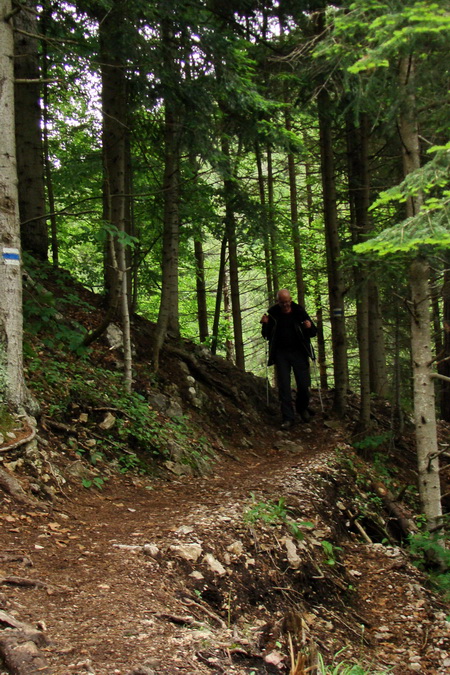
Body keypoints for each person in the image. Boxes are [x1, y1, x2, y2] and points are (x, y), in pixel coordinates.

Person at [261, 289, 317, 430]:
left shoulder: (299, 312)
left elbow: (312, 333)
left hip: (299, 352)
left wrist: (309, 327)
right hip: (281, 354)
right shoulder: (273, 314)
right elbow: (266, 336)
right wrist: (265, 324)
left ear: (290, 300)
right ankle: (288, 418)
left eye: (287, 302)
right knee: (284, 386)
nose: (285, 305)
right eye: (282, 302)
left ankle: (302, 408)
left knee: (304, 385)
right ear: (278, 301)